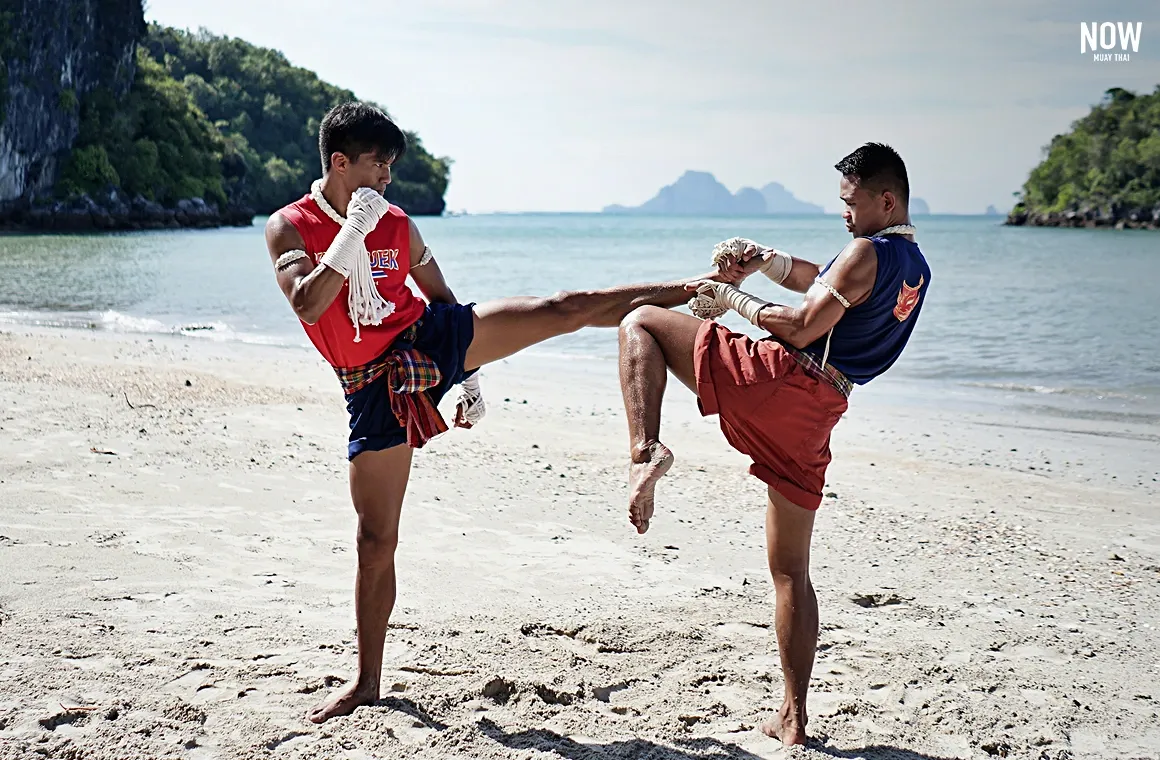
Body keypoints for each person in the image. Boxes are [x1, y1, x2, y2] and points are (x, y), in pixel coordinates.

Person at [264, 101, 727, 723]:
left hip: (429, 341)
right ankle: (367, 680)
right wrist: (351, 232)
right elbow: (311, 305)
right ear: (341, 163)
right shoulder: (289, 227)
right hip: (371, 384)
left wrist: (469, 375)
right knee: (375, 540)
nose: (388, 180)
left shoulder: (400, 225)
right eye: (380, 165)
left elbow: (442, 301)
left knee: (563, 307)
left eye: (393, 167)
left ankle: (704, 290)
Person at [615, 142, 932, 746]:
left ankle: (645, 450)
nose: (844, 213)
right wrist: (767, 260)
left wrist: (731, 300)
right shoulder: (912, 265)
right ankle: (793, 715)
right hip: (821, 414)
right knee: (791, 572)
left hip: (784, 381)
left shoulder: (867, 249)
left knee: (644, 322)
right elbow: (830, 283)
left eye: (851, 202)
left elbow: (808, 323)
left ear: (885, 199)